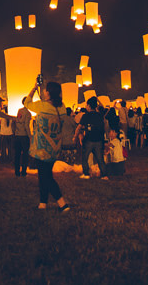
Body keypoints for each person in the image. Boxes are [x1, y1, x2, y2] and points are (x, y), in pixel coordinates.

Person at [23, 78, 70, 212]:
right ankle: (43, 203)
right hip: (54, 147)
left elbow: (27, 103)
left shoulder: (42, 106)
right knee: (44, 175)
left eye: (45, 89)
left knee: (46, 177)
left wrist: (33, 89)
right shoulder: (62, 107)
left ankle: (63, 204)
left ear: (49, 93)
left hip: (41, 148)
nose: (43, 91)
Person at [77, 96, 106, 179]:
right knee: (100, 158)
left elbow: (79, 127)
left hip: (89, 140)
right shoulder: (100, 115)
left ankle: (86, 174)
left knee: (85, 157)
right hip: (99, 140)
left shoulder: (86, 116)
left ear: (89, 106)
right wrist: (97, 99)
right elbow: (103, 107)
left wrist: (75, 136)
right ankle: (104, 175)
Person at [12, 99, 32, 176]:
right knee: (25, 154)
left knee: (17, 154)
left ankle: (16, 171)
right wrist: (30, 136)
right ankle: (23, 171)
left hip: (17, 135)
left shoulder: (19, 111)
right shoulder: (28, 113)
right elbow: (26, 126)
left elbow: (17, 121)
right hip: (24, 136)